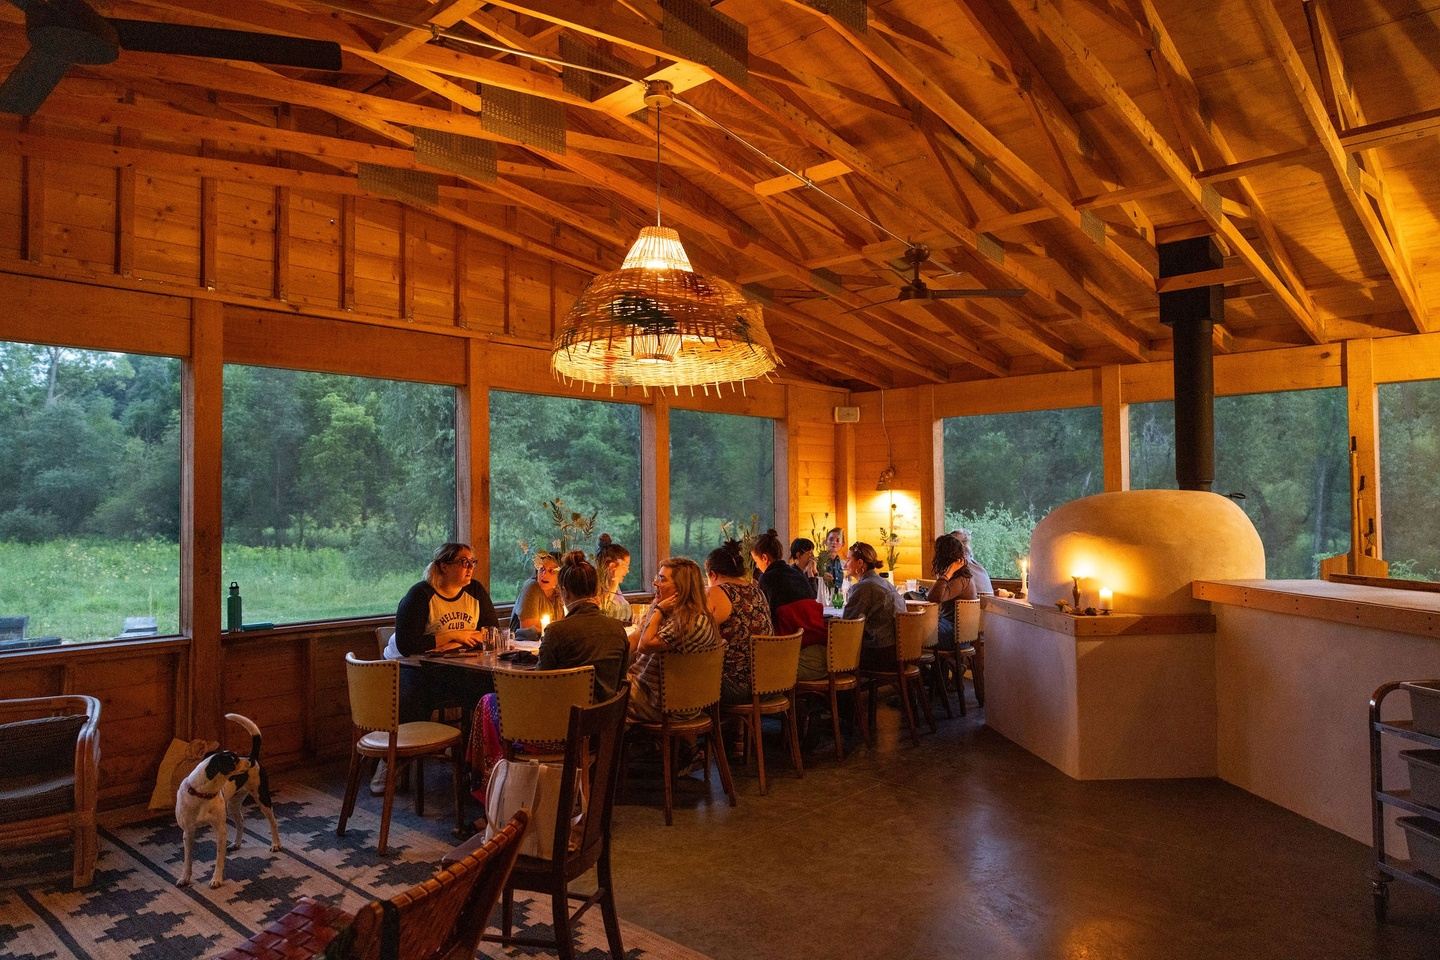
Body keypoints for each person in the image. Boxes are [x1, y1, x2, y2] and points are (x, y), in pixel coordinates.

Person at [472, 552, 631, 784]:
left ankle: (496, 785)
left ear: (564, 591)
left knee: (488, 702)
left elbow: (540, 687)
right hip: (603, 727)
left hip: (559, 730)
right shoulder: (617, 630)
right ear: (596, 590)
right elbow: (621, 681)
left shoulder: (557, 632)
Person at [382, 542, 498, 793]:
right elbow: (407, 644)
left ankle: (472, 762)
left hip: (451, 666)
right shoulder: (420, 595)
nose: (470, 568)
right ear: (444, 566)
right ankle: (391, 762)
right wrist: (455, 636)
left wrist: (462, 639)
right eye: (463, 562)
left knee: (487, 691)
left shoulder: (475, 591)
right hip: (410, 665)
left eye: (472, 562)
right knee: (414, 695)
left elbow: (491, 631)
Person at [627, 558, 719, 722]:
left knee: (600, 692)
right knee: (603, 681)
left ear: (681, 588)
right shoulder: (668, 609)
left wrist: (659, 611)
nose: (655, 583)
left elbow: (644, 645)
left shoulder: (692, 621)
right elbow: (637, 636)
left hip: (665, 704)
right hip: (651, 690)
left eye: (662, 579)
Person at [705, 540, 773, 703]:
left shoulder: (717, 592)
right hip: (769, 681)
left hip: (738, 686)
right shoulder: (757, 590)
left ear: (713, 574)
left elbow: (698, 631)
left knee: (679, 677)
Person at [754, 530, 827, 680]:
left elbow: (766, 620)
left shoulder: (767, 578)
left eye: (756, 561)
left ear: (764, 558)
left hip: (799, 653)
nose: (756, 565)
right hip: (824, 651)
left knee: (757, 668)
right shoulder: (797, 574)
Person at [842, 541, 906, 671]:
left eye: (848, 560)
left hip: (881, 654)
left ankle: (841, 684)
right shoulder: (884, 583)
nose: (845, 565)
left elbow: (847, 625)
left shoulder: (864, 587)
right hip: (899, 650)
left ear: (860, 563)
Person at [927, 534, 976, 649]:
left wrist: (948, 573)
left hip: (956, 635)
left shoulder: (961, 579)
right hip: (952, 630)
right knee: (915, 629)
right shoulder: (959, 576)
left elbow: (934, 598)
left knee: (915, 631)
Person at [509, 552, 564, 632]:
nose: (544, 575)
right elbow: (528, 630)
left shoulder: (560, 593)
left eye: (551, 571)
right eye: (542, 569)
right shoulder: (531, 587)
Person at [595, 533, 633, 624]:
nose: (627, 571)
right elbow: (601, 612)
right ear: (612, 566)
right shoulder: (595, 586)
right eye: (625, 566)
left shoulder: (616, 588)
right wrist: (614, 584)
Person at [949, 528, 994, 596]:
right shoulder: (976, 566)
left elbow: (939, 595)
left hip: (974, 601)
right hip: (986, 601)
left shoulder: (959, 564)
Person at [821, 526, 847, 596]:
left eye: (838, 540)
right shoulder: (818, 563)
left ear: (843, 544)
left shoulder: (844, 564)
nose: (834, 542)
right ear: (825, 542)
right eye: (831, 539)